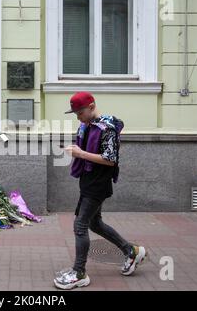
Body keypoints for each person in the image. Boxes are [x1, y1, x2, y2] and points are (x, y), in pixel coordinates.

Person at [53, 92, 148, 290]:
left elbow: (110, 158)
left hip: (99, 184)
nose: (77, 117)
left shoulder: (108, 129)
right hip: (88, 181)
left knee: (80, 225)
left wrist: (81, 153)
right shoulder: (86, 125)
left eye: (79, 112)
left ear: (92, 106)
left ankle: (79, 273)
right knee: (94, 224)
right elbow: (86, 148)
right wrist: (76, 149)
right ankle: (131, 251)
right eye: (75, 113)